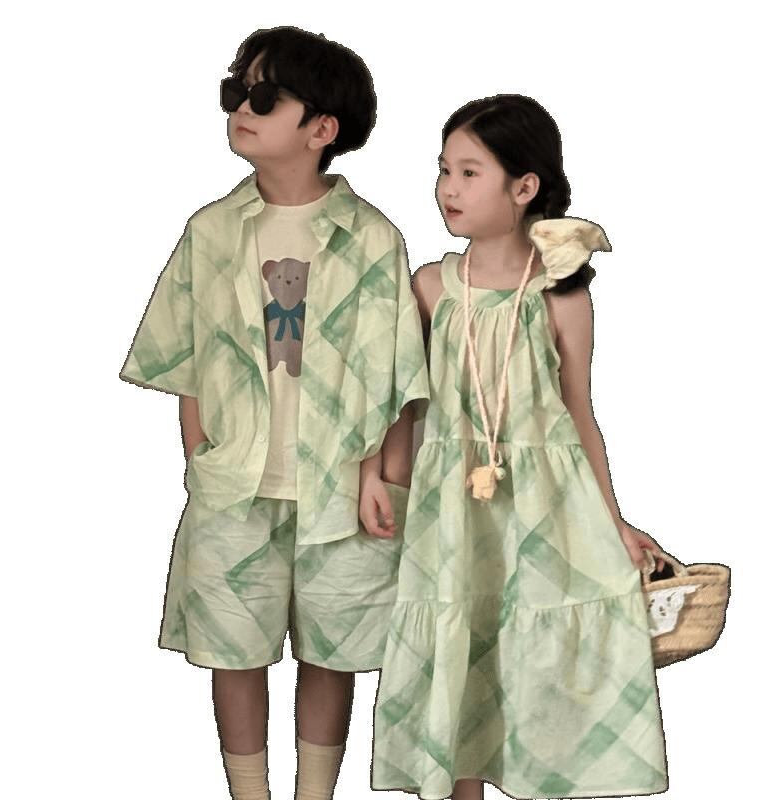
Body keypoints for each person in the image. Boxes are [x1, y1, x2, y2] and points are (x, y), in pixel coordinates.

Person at [119, 26, 429, 800]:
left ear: (322, 129)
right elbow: (182, 354)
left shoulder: (372, 238)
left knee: (333, 650)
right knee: (233, 651)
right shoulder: (211, 231)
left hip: (343, 485)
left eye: (262, 97)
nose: (240, 110)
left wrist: (385, 477)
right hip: (236, 482)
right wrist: (200, 453)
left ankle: (314, 795)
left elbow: (400, 374)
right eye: (236, 92)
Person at [370, 94, 669, 800]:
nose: (448, 188)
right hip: (452, 504)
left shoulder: (561, 295)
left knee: (538, 658)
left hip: (546, 506)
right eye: (444, 170)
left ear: (524, 186)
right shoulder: (431, 286)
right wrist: (383, 478)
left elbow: (579, 414)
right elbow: (404, 401)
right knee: (458, 647)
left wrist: (615, 523)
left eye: (469, 172)